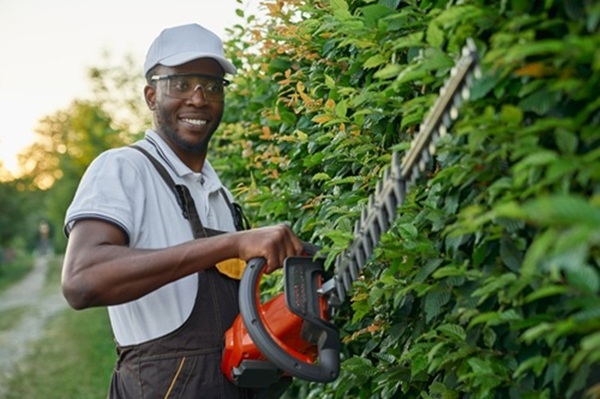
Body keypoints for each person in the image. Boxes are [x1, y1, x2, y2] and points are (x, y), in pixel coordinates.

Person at [61, 23, 304, 398]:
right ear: (151, 95)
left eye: (212, 85)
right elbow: (81, 280)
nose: (198, 98)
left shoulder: (219, 193)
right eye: (181, 84)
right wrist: (230, 245)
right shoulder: (124, 168)